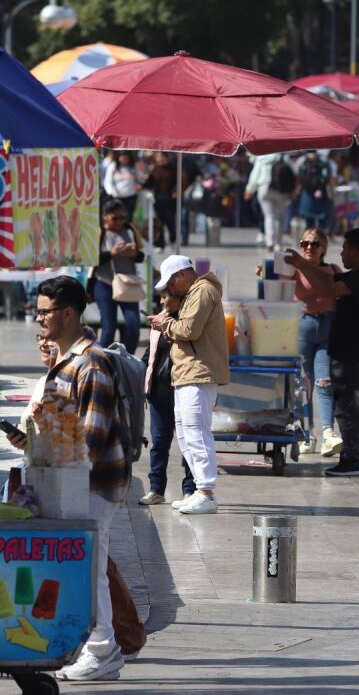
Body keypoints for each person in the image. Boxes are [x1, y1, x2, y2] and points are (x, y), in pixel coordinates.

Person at [35, 276, 129, 683]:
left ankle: (103, 648)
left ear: (68, 313)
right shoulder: (65, 358)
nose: (39, 319)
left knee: (91, 566)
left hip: (92, 484)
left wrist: (52, 456)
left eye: (45, 312)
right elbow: (62, 427)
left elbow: (90, 437)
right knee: (85, 565)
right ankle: (91, 643)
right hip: (71, 481)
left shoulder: (92, 363)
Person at [286, 229, 359, 477]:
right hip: (354, 350)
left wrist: (300, 264)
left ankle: (350, 458)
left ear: (356, 252)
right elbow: (327, 282)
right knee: (356, 405)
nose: (342, 253)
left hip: (349, 351)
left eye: (345, 249)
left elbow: (327, 288)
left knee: (346, 406)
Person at [149, 254, 229, 516]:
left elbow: (189, 330)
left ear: (182, 275)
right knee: (185, 434)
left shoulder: (203, 292)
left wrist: (165, 324)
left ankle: (206, 491)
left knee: (197, 432)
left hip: (199, 373)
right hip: (186, 372)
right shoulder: (195, 292)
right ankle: (198, 489)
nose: (170, 290)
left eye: (171, 284)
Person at [274, 229, 338, 456]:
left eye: (314, 243)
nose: (309, 247)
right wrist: (264, 272)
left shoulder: (333, 270)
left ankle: (328, 433)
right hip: (302, 326)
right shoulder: (294, 271)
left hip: (328, 329)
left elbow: (337, 288)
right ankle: (307, 435)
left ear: (324, 247)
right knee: (304, 383)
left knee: (324, 381)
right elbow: (276, 286)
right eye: (304, 243)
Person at [139, 289, 196, 506]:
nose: (162, 302)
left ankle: (190, 490)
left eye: (166, 297)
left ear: (181, 299)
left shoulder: (189, 324)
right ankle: (156, 489)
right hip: (159, 392)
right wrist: (138, 375)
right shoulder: (159, 322)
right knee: (159, 442)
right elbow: (150, 355)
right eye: (161, 297)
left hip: (184, 390)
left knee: (189, 443)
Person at [93, 200, 145, 353]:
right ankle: (101, 361)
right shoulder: (99, 232)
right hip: (104, 283)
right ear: (105, 217)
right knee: (109, 327)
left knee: (133, 324)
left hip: (127, 284)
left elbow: (141, 256)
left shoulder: (129, 230)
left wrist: (134, 254)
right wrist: (112, 254)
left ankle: (127, 359)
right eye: (115, 218)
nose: (119, 222)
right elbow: (92, 259)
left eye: (122, 218)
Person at [243, 152, 297, 250]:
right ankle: (278, 242)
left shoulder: (261, 156)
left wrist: (250, 189)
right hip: (281, 189)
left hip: (264, 188)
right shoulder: (283, 156)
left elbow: (255, 174)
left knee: (269, 215)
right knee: (280, 217)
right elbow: (293, 173)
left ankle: (270, 241)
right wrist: (293, 191)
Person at [142, 151, 179, 250]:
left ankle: (173, 240)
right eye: (158, 157)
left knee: (170, 221)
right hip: (158, 199)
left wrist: (176, 191)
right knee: (159, 222)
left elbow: (179, 182)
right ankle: (160, 244)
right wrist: (141, 186)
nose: (160, 159)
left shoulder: (173, 168)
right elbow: (149, 182)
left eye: (162, 157)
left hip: (170, 199)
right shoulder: (155, 169)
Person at [297, 151, 335, 231]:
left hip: (312, 194)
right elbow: (326, 177)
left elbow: (325, 177)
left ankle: (315, 238)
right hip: (313, 194)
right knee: (314, 220)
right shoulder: (321, 163)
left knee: (315, 220)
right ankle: (314, 238)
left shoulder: (304, 162)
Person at [103, 150, 141, 216]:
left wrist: (138, 185)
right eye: (122, 156)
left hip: (131, 197)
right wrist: (111, 193)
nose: (124, 159)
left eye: (126, 157)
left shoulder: (134, 167)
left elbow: (139, 179)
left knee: (128, 217)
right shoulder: (113, 166)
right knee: (118, 216)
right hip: (117, 197)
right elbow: (108, 181)